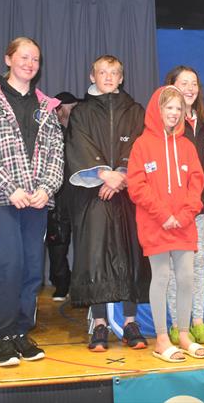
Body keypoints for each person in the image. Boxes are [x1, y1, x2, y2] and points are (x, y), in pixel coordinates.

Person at [0, 37, 64, 367]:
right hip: (1, 199)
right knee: (9, 265)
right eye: (23, 57)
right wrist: (10, 188)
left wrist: (47, 188)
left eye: (35, 59)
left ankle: (22, 331)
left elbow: (56, 153)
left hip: (37, 202)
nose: (29, 63)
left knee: (31, 269)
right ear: (8, 59)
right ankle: (5, 334)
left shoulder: (47, 107)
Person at [64, 55, 149, 352]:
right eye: (103, 72)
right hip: (93, 192)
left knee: (130, 255)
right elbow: (78, 146)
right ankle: (99, 324)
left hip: (127, 193)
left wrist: (122, 175)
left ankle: (129, 323)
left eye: (114, 72)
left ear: (122, 77)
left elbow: (141, 146)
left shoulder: (136, 111)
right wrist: (103, 174)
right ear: (92, 76)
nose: (109, 77)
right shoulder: (81, 113)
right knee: (95, 255)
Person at [128, 86, 204, 362]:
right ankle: (162, 339)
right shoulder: (142, 144)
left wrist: (186, 214)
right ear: (157, 110)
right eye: (169, 108)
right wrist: (164, 215)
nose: (174, 113)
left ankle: (183, 334)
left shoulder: (187, 146)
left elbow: (196, 182)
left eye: (178, 109)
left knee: (186, 278)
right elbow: (137, 186)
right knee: (161, 278)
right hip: (155, 223)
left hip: (184, 223)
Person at [163, 66, 204, 345]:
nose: (190, 88)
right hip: (173, 211)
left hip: (199, 208)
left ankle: (198, 321)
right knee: (174, 269)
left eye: (194, 83)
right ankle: (177, 323)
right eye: (183, 83)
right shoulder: (165, 124)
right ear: (170, 86)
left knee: (196, 266)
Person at [45, 92, 79, 302]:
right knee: (57, 244)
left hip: (78, 193)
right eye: (70, 107)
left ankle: (82, 285)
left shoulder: (81, 131)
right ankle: (61, 284)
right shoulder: (49, 130)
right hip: (57, 196)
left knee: (85, 242)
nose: (74, 110)